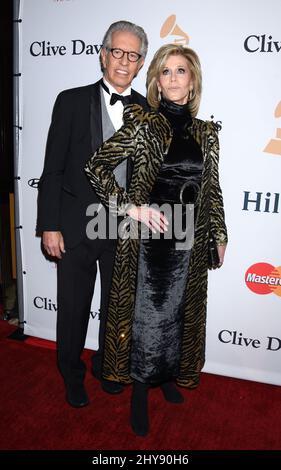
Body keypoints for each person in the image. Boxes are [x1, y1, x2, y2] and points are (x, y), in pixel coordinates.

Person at [85, 44, 228, 436]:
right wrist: (129, 208)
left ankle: (168, 377)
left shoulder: (204, 133)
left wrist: (219, 233)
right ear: (156, 82)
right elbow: (95, 166)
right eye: (165, 72)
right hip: (150, 242)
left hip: (190, 242)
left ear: (192, 79)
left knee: (181, 314)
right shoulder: (144, 124)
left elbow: (211, 188)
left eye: (180, 71)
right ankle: (140, 392)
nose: (173, 79)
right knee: (149, 320)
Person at [36, 20, 149, 408]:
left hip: (125, 228)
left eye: (132, 55)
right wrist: (49, 225)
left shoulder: (148, 110)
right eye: (117, 51)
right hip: (75, 225)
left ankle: (109, 366)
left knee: (118, 308)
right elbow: (51, 167)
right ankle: (71, 373)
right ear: (103, 55)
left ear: (141, 63)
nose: (123, 60)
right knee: (73, 307)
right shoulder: (70, 100)